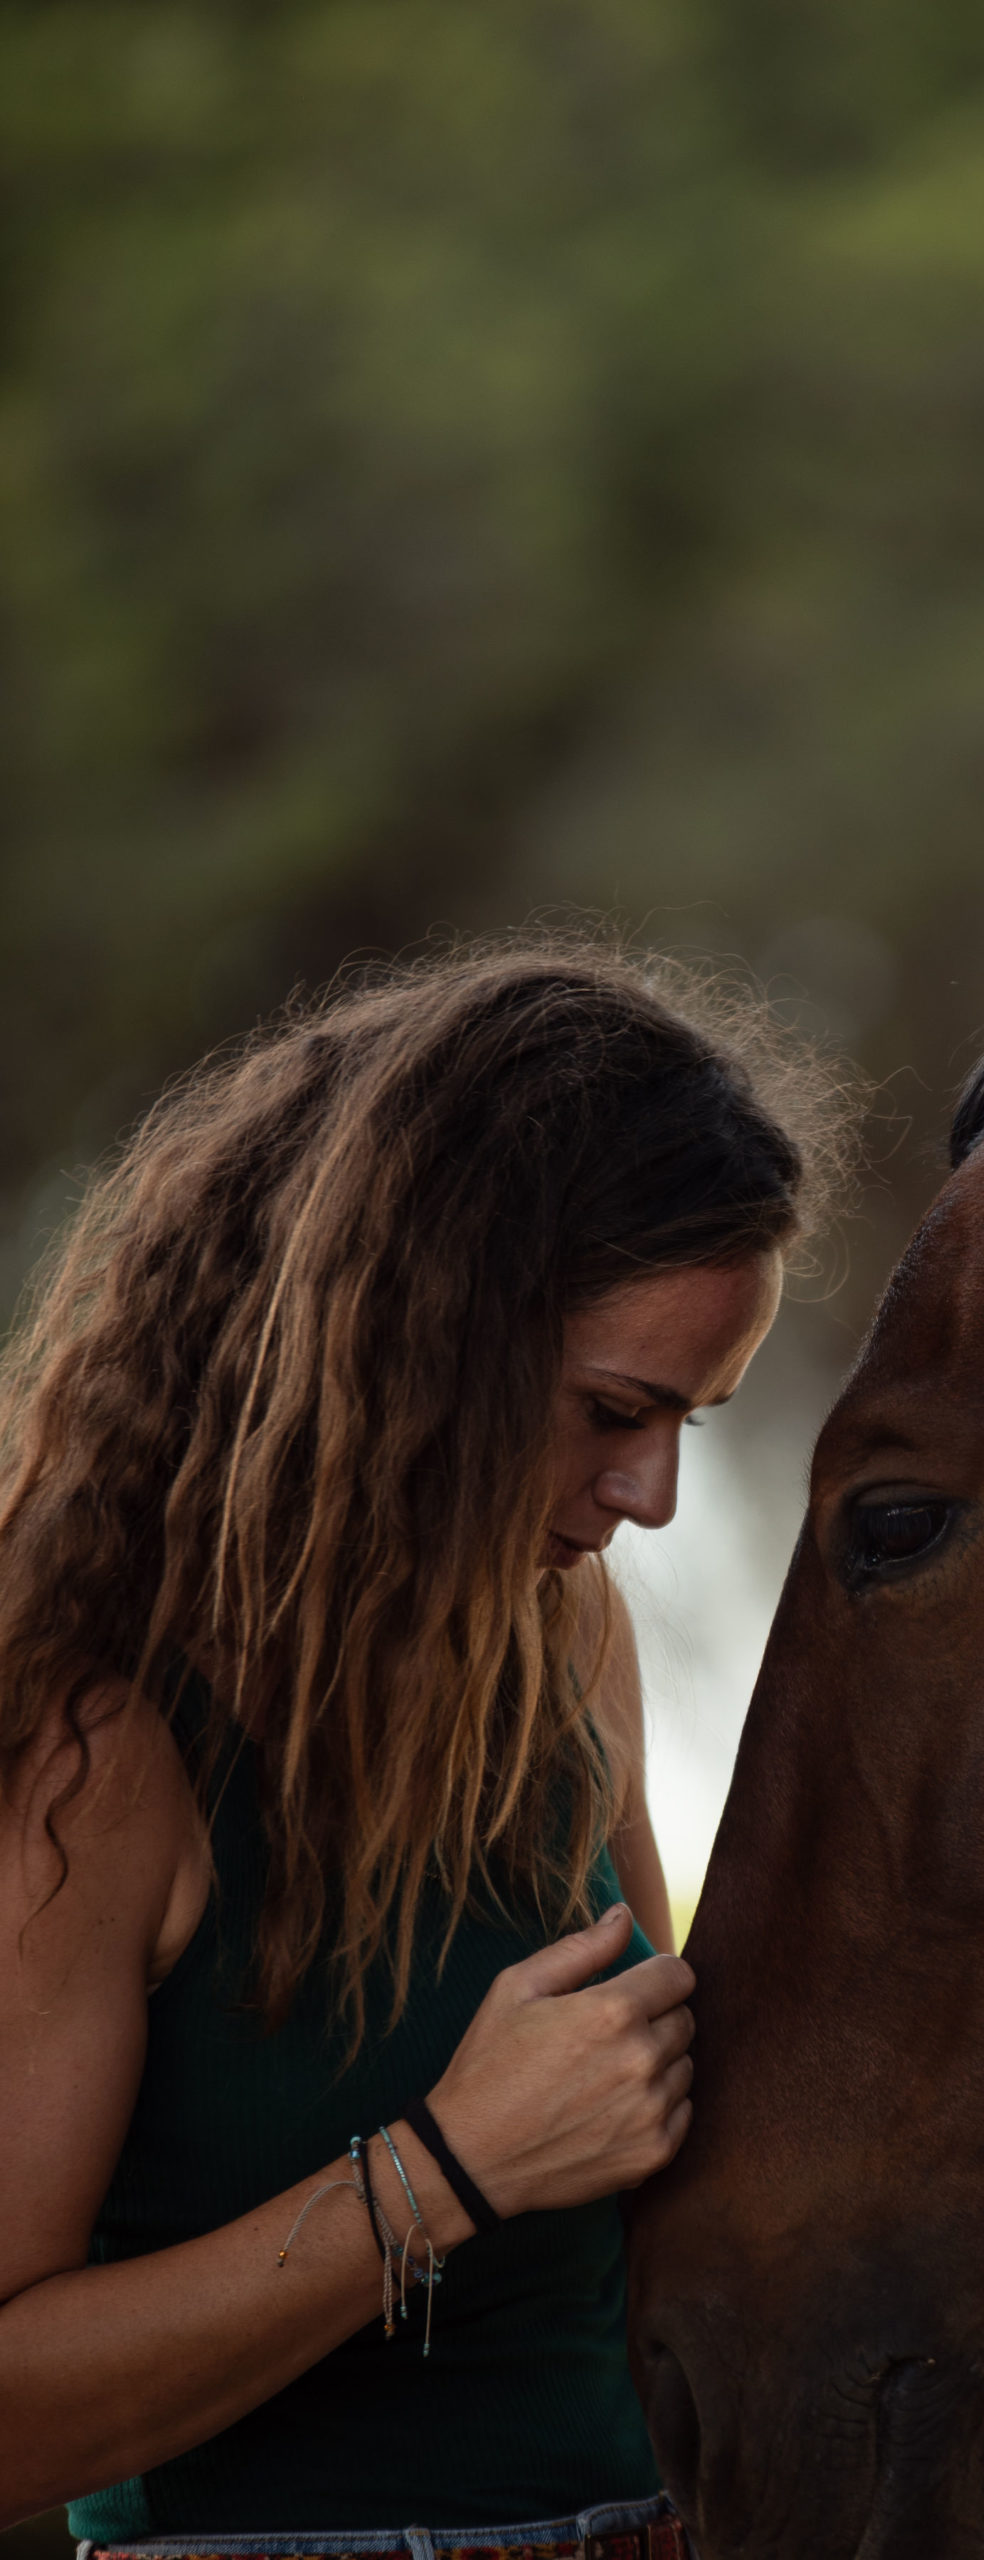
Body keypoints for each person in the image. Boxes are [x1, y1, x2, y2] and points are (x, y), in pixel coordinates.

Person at [0, 942, 850, 2558]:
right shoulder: (92, 1743)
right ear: (420, 1340)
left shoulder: (566, 1639)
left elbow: (648, 2172)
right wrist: (439, 2174)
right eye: (613, 1410)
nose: (652, 1498)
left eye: (695, 1421)